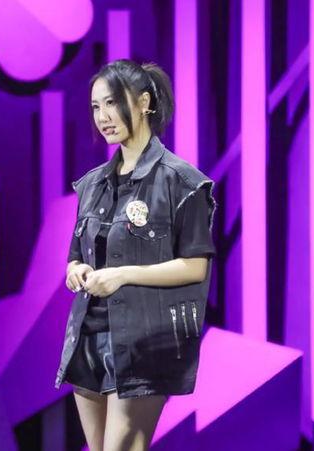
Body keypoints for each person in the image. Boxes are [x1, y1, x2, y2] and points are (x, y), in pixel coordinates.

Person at [54, 59, 217, 451]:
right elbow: (75, 255)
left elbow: (195, 266)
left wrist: (123, 274)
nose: (103, 117)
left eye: (112, 103)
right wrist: (76, 270)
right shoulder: (92, 184)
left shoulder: (182, 182)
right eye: (96, 107)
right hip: (87, 340)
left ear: (144, 102)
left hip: (143, 343)